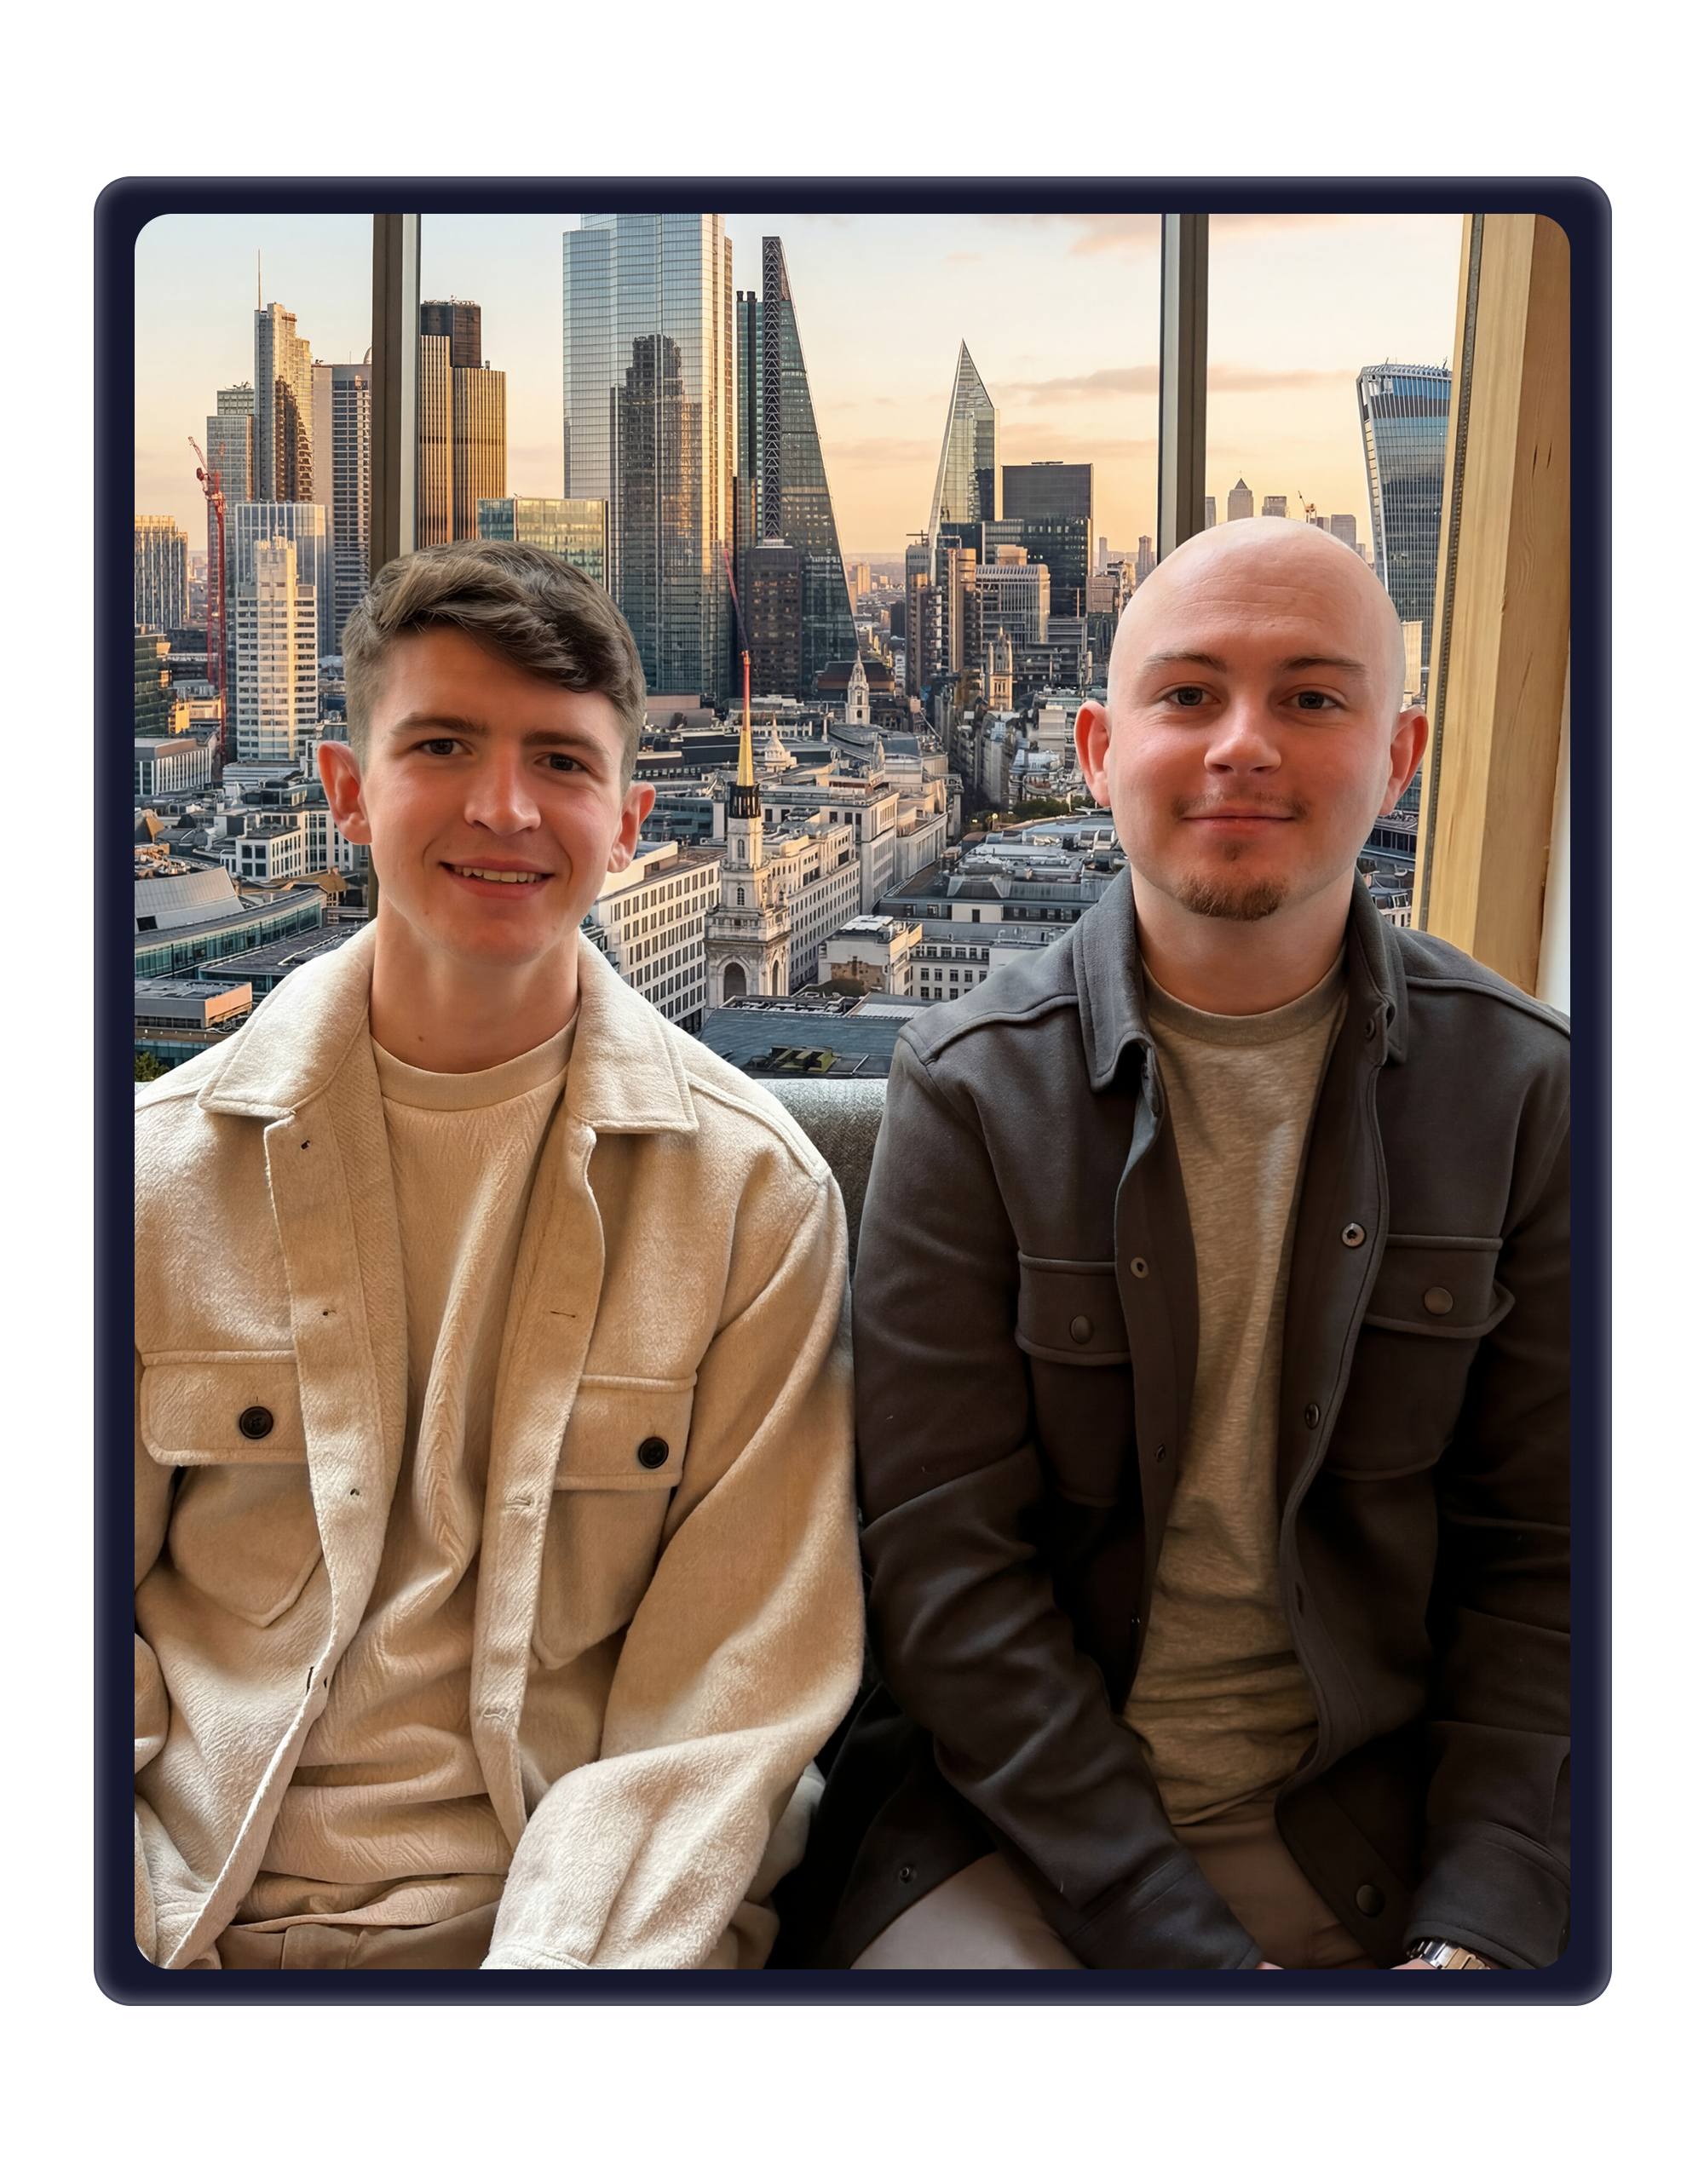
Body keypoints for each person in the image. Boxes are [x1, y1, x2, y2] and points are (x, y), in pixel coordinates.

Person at [789, 517, 1568, 1974]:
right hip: (1018, 1840)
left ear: (1400, 758)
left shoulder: (1530, 1093)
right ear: (1098, 748)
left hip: (1384, 1835)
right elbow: (947, 1578)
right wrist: (1195, 1967)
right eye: (1189, 694)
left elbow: (1553, 1576)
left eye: (1314, 699)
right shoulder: (968, 1088)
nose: (1244, 745)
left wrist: (1483, 1936)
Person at [134, 540, 862, 1972]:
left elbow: (732, 1705)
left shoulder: (756, 1201)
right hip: (181, 1919)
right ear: (347, 791)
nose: (506, 807)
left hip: (576, 1947)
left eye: (564, 764)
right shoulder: (145, 1181)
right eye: (444, 744)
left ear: (634, 818)